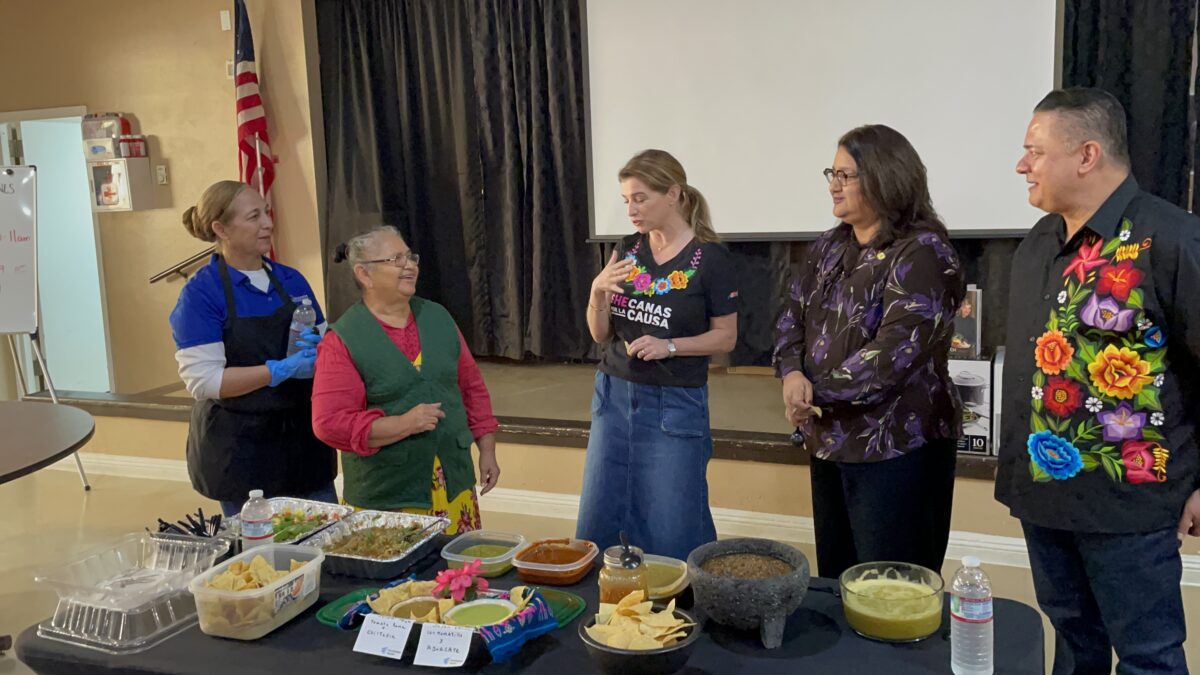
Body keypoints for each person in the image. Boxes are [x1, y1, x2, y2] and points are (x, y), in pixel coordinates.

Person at [997, 87, 1199, 673]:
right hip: (1043, 495)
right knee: (1073, 646)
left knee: (1148, 656)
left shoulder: (1172, 239)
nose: (1020, 165)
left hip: (1131, 504)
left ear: (1086, 156)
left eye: (1034, 151)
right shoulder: (1038, 244)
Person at [773, 125, 965, 580]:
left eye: (846, 174)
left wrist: (811, 394)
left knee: (893, 589)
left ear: (885, 177)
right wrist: (791, 375)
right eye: (831, 173)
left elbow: (891, 357)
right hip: (830, 440)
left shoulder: (923, 252)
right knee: (839, 583)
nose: (833, 185)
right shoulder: (829, 245)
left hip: (898, 448)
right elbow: (789, 320)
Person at [576, 149, 738, 560]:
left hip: (674, 402)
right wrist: (597, 291)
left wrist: (671, 346)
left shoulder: (711, 258)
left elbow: (725, 339)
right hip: (613, 397)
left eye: (640, 198)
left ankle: (680, 610)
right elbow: (600, 333)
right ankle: (608, 609)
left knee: (673, 521)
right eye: (626, 200)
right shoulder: (627, 250)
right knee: (601, 515)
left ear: (673, 194)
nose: (631, 209)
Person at [311, 226, 500, 534]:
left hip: (453, 487)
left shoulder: (438, 316)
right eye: (396, 259)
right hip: (388, 499)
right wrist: (403, 424)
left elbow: (471, 387)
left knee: (458, 578)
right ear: (365, 274)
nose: (410, 265)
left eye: (410, 257)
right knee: (403, 583)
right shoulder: (343, 339)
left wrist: (488, 449)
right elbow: (328, 422)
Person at [170, 180, 337, 517]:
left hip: (302, 440)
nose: (268, 223)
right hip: (241, 447)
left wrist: (324, 353)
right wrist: (278, 370)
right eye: (253, 216)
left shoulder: (291, 280)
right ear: (221, 229)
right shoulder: (202, 294)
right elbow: (205, 382)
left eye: (266, 212)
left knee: (326, 538)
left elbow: (324, 342)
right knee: (260, 555)